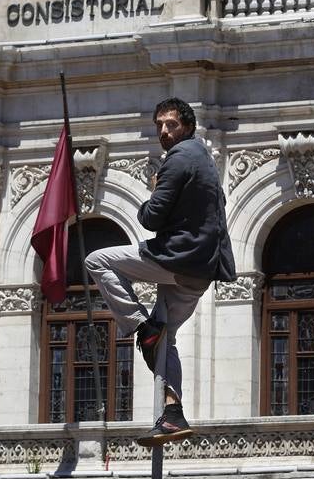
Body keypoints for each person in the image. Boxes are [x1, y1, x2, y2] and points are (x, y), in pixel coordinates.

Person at [85, 98, 236, 446]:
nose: (164, 131)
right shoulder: (205, 162)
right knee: (164, 341)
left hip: (178, 259)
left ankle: (140, 325)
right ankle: (172, 414)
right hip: (201, 271)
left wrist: (152, 192)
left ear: (187, 126)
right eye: (159, 125)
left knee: (97, 260)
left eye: (171, 124)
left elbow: (151, 217)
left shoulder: (179, 159)